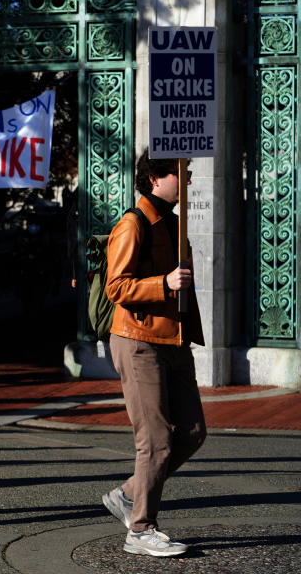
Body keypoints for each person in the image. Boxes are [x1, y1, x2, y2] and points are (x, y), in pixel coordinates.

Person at [101, 153, 205, 557]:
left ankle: (128, 495)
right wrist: (164, 282)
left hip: (173, 340)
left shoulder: (174, 223)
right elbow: (117, 287)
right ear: (156, 178)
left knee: (193, 432)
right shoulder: (133, 222)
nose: (189, 181)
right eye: (183, 173)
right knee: (156, 440)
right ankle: (140, 529)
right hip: (139, 340)